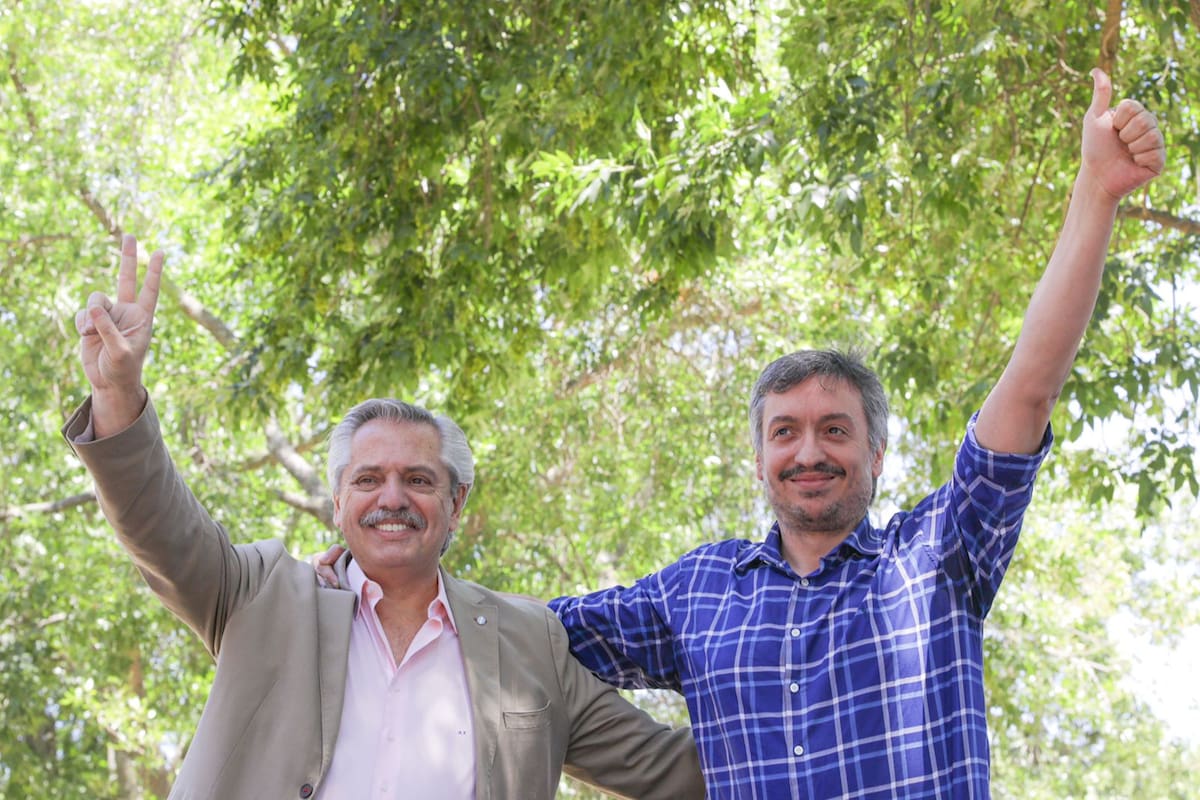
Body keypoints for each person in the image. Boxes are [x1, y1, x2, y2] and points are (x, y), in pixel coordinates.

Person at [546, 68, 1166, 799]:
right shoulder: (698, 592)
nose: (808, 452)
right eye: (786, 433)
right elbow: (516, 639)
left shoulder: (938, 556)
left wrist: (1095, 192)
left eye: (834, 430)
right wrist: (375, 571)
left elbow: (1030, 387)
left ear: (876, 453)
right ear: (759, 460)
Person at [63, 236, 704, 799]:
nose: (392, 498)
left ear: (456, 505)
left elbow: (669, 770)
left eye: (418, 480)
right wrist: (117, 393)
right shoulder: (258, 593)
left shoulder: (529, 642)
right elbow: (158, 526)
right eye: (368, 479)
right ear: (338, 503)